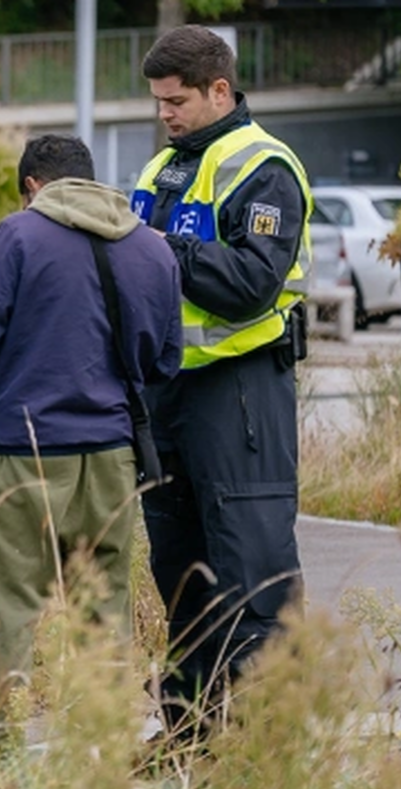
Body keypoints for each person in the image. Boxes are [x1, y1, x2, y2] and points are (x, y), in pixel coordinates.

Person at [0, 134, 182, 725]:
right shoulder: (152, 248)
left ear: (33, 185)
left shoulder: (21, 234)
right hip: (111, 458)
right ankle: (98, 750)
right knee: (103, 612)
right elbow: (165, 360)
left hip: (25, 454)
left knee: (7, 613)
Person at [129, 25, 312, 735]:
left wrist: (161, 247)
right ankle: (190, 732)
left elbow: (250, 285)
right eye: (157, 104)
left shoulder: (264, 167)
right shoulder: (160, 171)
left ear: (219, 91)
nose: (165, 115)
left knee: (252, 569)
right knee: (182, 575)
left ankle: (272, 741)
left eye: (176, 102)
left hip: (240, 395)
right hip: (167, 394)